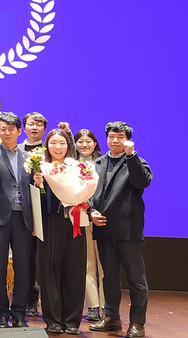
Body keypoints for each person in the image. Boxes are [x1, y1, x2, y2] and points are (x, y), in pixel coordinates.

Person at [89, 122, 152, 338]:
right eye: (111, 136)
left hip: (128, 229)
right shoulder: (98, 163)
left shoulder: (135, 161)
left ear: (128, 139)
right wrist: (90, 211)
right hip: (103, 227)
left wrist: (131, 155)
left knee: (136, 279)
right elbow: (89, 192)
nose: (115, 140)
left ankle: (137, 323)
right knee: (109, 277)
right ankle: (111, 317)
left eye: (120, 136)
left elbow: (142, 182)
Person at [32, 129, 85, 335]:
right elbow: (34, 199)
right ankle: (53, 320)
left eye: (62, 143)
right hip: (50, 222)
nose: (58, 147)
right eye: (53, 143)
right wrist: (39, 185)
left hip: (75, 221)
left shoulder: (77, 167)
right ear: (47, 146)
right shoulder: (40, 168)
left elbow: (87, 193)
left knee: (75, 271)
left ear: (68, 145)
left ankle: (72, 320)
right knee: (50, 270)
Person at [0, 112, 34, 328]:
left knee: (23, 267)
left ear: (19, 131)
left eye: (11, 129)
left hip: (23, 216)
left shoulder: (30, 156)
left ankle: (19, 313)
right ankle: (2, 313)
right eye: (2, 129)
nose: (7, 133)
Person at [74, 129, 105, 322]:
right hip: (81, 218)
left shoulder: (103, 163)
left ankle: (107, 305)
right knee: (87, 264)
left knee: (105, 265)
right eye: (80, 141)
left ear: (95, 143)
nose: (84, 145)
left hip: (102, 218)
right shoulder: (70, 166)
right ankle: (93, 305)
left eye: (88, 141)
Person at [20, 110, 47, 316]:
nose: (34, 127)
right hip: (22, 210)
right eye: (31, 124)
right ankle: (29, 299)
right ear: (24, 128)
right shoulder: (16, 150)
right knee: (27, 258)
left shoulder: (51, 149)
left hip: (47, 210)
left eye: (39, 124)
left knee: (47, 258)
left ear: (44, 129)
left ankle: (50, 302)